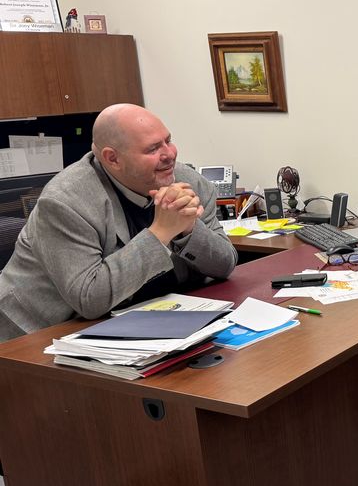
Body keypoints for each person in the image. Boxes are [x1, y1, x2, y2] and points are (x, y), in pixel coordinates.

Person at [0, 104, 237, 341]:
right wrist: (161, 232)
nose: (170, 154)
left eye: (168, 140)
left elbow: (225, 264)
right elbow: (90, 299)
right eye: (153, 148)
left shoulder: (187, 182)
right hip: (37, 335)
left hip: (140, 320)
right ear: (113, 158)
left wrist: (187, 229)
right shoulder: (65, 202)